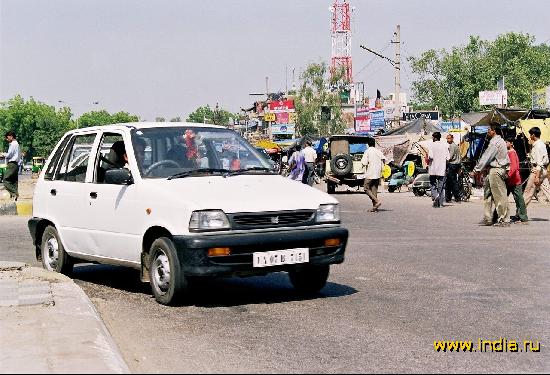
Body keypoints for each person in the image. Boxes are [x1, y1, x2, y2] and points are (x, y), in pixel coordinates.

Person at [472, 124, 510, 226]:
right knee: (487, 195)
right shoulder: (497, 141)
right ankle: (488, 218)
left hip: (496, 170)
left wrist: (476, 170)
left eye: (489, 129)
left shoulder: (495, 142)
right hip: (492, 170)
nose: (488, 131)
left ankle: (504, 220)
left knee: (499, 196)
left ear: (494, 131)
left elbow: (486, 157)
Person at [521, 126, 550, 210]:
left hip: (537, 171)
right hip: (543, 170)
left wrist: (536, 177)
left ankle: (520, 213)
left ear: (533, 135)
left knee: (528, 192)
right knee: (548, 191)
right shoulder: (542, 144)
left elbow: (539, 163)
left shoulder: (537, 146)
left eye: (530, 135)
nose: (530, 137)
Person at [505, 137, 528, 224]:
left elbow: (514, 167)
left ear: (511, 143)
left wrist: (508, 175)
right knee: (506, 198)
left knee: (519, 199)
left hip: (514, 179)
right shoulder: (509, 152)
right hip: (510, 180)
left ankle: (523, 217)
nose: (505, 143)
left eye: (506, 142)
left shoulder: (512, 153)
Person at [361, 137, 385, 212]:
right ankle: (375, 208)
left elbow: (364, 162)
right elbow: (384, 159)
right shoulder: (378, 151)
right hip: (378, 173)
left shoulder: (367, 151)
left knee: (366, 188)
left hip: (371, 173)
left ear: (368, 144)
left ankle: (377, 201)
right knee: (374, 189)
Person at [427, 132, 449, 208]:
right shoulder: (445, 145)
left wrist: (428, 159)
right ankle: (441, 202)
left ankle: (435, 195)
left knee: (432, 183)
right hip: (442, 168)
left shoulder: (431, 145)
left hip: (433, 168)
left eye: (432, 137)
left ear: (435, 138)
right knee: (441, 185)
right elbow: (448, 158)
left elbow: (431, 157)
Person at [1, 131, 20, 200]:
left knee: (5, 179)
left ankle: (14, 193)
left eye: (7, 137)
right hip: (16, 164)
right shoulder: (17, 144)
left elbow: (9, 155)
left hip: (11, 164)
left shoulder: (13, 144)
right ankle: (14, 197)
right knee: (14, 181)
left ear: (11, 136)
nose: (7, 139)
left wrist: (2, 154)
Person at [445, 134, 462, 203]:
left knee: (453, 182)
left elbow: (450, 157)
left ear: (452, 138)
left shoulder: (452, 146)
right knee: (449, 182)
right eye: (447, 139)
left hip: (452, 165)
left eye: (449, 138)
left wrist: (445, 162)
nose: (447, 140)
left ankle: (457, 197)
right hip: (457, 165)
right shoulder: (455, 145)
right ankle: (448, 198)